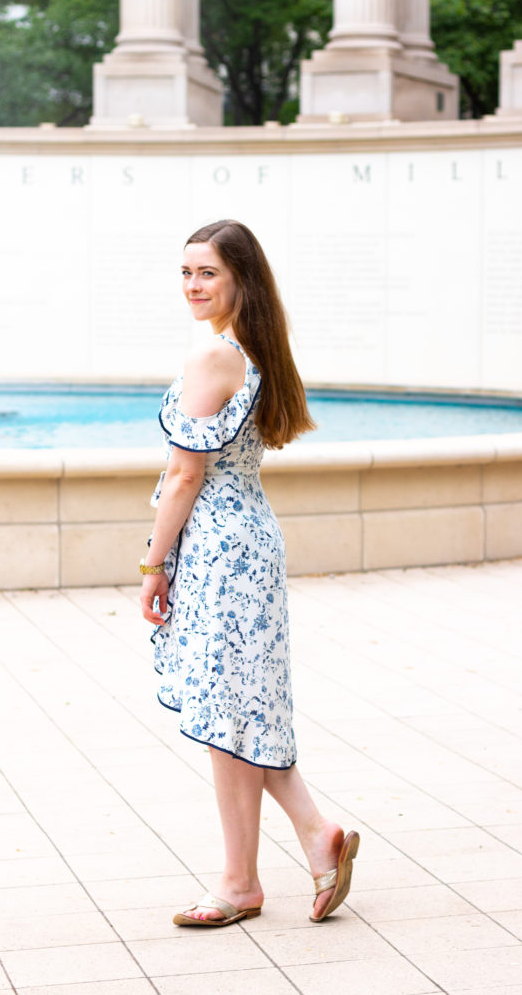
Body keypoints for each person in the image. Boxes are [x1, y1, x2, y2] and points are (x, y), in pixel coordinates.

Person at [140, 220, 359, 927]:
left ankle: (241, 881)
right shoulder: (257, 350)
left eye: (206, 273)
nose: (192, 286)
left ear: (239, 279)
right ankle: (311, 835)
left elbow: (183, 475)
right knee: (236, 708)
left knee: (224, 709)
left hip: (217, 549)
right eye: (184, 273)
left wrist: (151, 563)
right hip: (249, 539)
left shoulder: (213, 357)